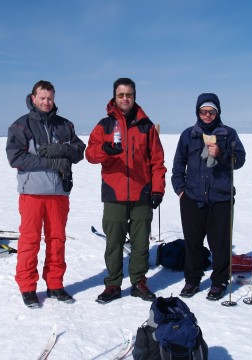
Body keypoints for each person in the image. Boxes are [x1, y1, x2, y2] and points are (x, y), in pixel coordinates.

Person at [86, 78, 167, 303]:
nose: (125, 98)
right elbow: (90, 154)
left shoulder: (146, 125)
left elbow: (157, 161)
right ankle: (112, 284)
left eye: (129, 94)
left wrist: (157, 189)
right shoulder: (105, 125)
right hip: (114, 192)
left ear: (134, 96)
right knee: (114, 242)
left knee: (141, 243)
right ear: (114, 97)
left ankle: (139, 282)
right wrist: (105, 150)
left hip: (142, 192)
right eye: (121, 95)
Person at [6, 80, 86, 308]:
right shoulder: (21, 126)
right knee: (30, 240)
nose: (46, 102)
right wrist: (50, 160)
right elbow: (16, 157)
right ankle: (28, 287)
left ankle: (55, 284)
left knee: (57, 240)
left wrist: (62, 150)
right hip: (32, 193)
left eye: (49, 98)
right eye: (41, 98)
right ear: (33, 98)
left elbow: (80, 150)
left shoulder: (64, 125)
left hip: (59, 192)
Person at [171, 93, 246, 301]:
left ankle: (220, 281)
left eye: (211, 111)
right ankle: (192, 280)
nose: (207, 115)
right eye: (203, 111)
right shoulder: (188, 135)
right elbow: (178, 165)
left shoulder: (229, 134)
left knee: (219, 243)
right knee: (193, 242)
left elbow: (239, 160)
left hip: (220, 198)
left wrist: (221, 153)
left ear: (217, 112)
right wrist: (180, 189)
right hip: (192, 197)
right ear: (198, 112)